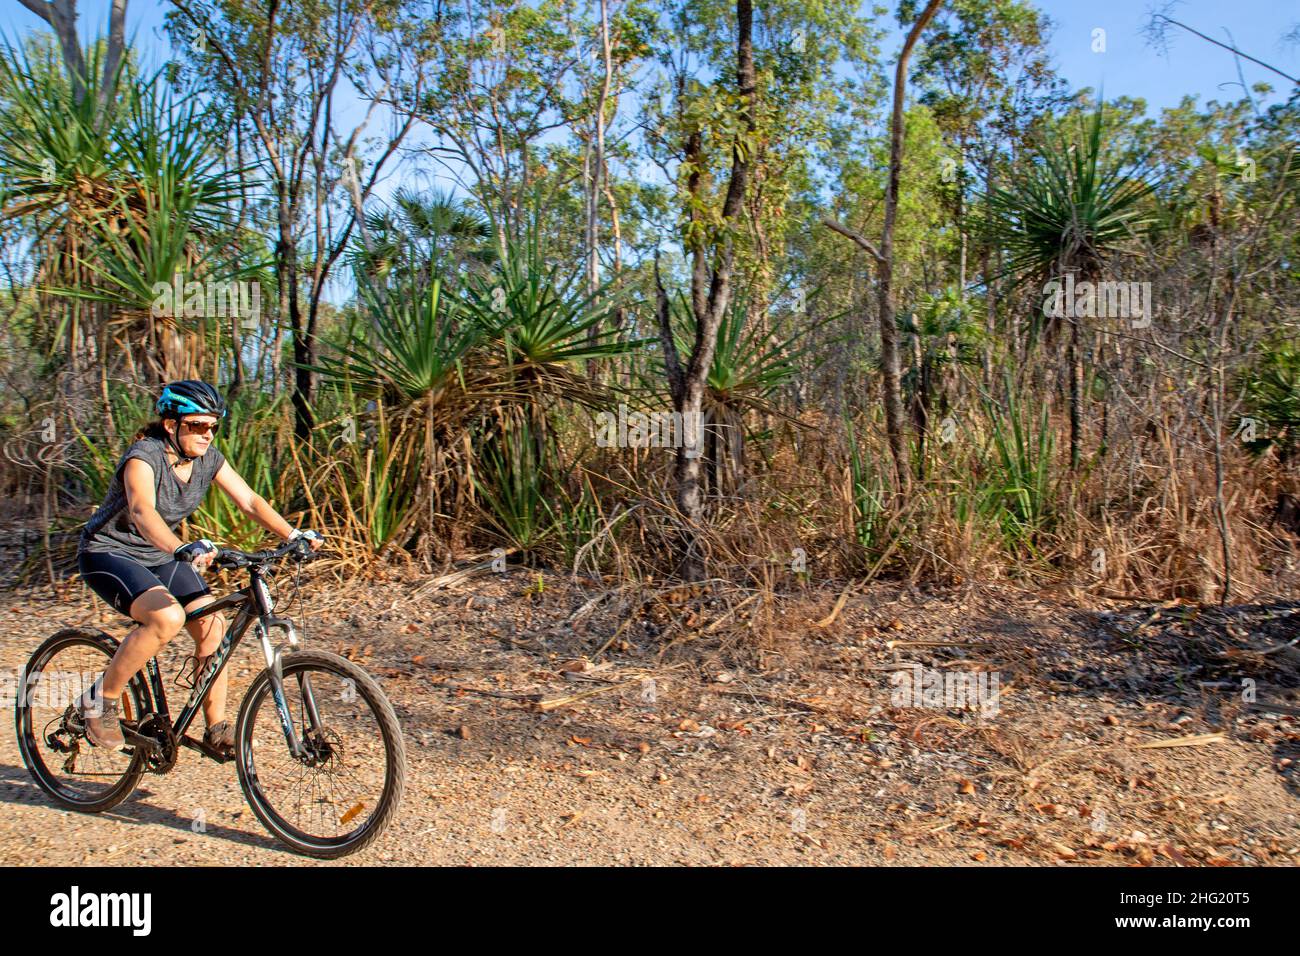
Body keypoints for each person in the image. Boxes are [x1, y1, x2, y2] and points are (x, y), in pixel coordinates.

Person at [73, 380, 322, 755]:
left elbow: (250, 501)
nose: (207, 434)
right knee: (167, 618)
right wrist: (181, 547)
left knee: (213, 627)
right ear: (172, 425)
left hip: (160, 555)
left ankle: (215, 727)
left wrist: (294, 534)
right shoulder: (144, 457)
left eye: (213, 426)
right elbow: (142, 511)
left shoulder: (208, 458)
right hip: (108, 553)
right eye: (198, 426)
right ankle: (100, 701)